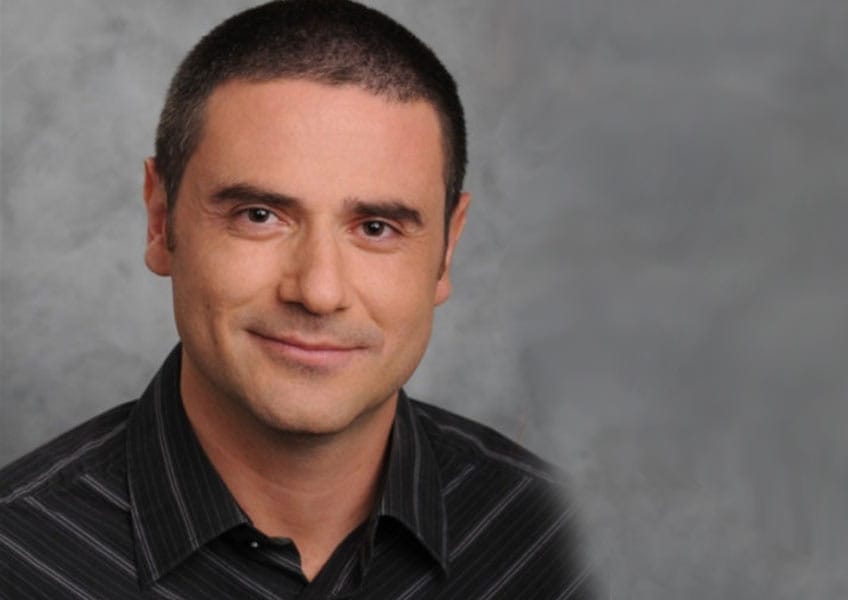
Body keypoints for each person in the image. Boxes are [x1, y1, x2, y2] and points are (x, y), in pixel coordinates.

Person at [0, 1, 594, 598]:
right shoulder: (16, 559)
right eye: (260, 216)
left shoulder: (561, 544)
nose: (318, 291)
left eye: (376, 228)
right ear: (160, 222)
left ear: (446, 250)